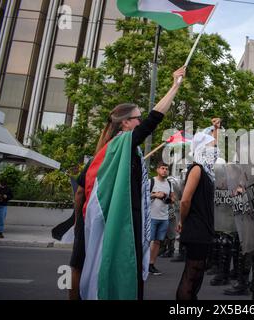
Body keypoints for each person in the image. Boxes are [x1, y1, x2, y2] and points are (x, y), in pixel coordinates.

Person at [79, 66, 186, 300]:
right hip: (123, 221)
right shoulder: (121, 144)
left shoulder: (126, 149)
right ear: (126, 124)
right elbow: (154, 119)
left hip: (131, 219)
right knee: (123, 269)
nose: (141, 121)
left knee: (129, 268)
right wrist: (175, 85)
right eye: (137, 117)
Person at [176, 120, 220, 300]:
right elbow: (185, 200)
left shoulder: (207, 172)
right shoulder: (196, 169)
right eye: (210, 145)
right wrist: (182, 221)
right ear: (201, 148)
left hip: (203, 228)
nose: (214, 148)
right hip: (196, 228)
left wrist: (216, 129)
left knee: (198, 273)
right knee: (191, 274)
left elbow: (213, 146)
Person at [68, 158, 93, 300]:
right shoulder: (123, 160)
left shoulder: (96, 161)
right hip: (108, 221)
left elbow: (79, 193)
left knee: (77, 265)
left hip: (86, 218)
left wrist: (77, 219)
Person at [149, 161, 175, 275]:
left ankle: (151, 264)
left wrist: (169, 199)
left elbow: (173, 199)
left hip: (164, 217)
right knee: (147, 242)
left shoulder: (169, 183)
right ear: (157, 170)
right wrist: (155, 195)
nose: (165, 170)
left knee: (158, 242)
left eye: (166, 169)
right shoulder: (151, 181)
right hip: (151, 216)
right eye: (162, 168)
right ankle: (143, 264)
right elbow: (143, 195)